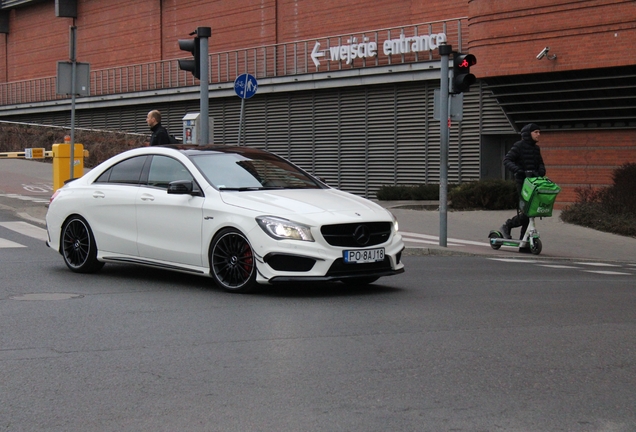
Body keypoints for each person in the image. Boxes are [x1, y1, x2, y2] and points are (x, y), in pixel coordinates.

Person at [499, 123, 546, 252]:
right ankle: (507, 226)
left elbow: (540, 163)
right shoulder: (519, 146)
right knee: (526, 212)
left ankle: (524, 241)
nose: (538, 134)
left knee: (531, 212)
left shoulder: (536, 149)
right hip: (522, 183)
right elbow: (507, 160)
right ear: (528, 133)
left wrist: (541, 171)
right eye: (536, 132)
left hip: (534, 182)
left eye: (539, 132)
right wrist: (518, 170)